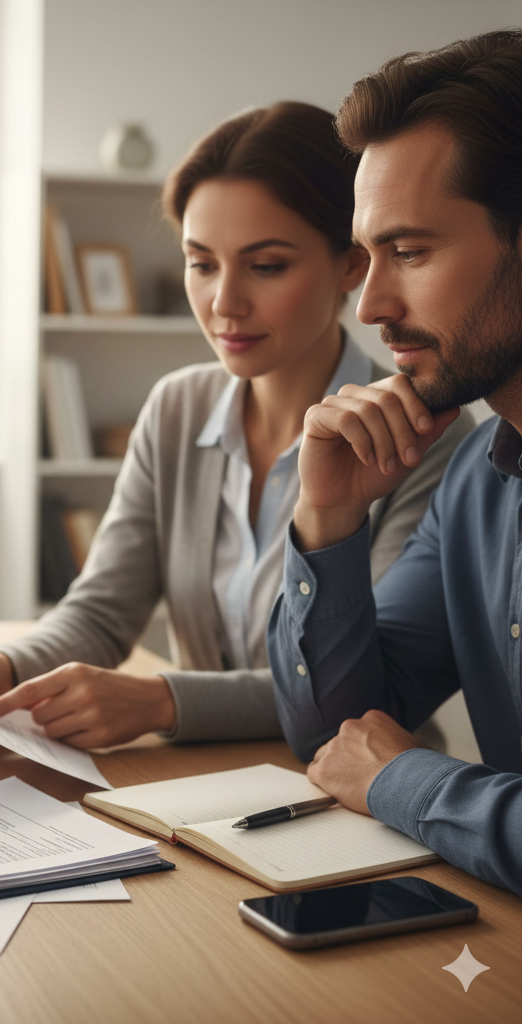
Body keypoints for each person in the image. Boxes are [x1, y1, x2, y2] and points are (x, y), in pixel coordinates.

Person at [0, 102, 472, 749]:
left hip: (359, 791)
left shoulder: (427, 434)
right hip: (200, 779)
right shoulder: (179, 407)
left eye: (266, 265)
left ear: (350, 264)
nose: (224, 303)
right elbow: (102, 608)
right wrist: (6, 668)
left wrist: (162, 700)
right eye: (202, 264)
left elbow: (359, 683)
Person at [267, 30, 522, 896]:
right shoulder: (477, 486)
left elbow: (373, 764)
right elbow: (336, 737)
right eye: (368, 256)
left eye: (409, 253)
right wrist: (329, 514)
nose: (371, 304)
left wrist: (404, 779)